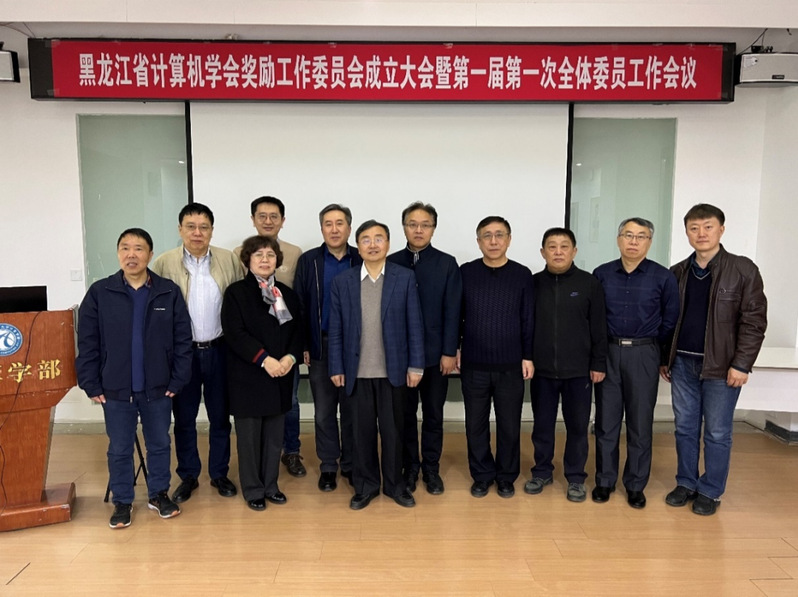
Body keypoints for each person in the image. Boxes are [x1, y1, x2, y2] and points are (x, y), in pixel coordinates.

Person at [76, 228, 193, 529]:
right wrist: (90, 382)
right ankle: (123, 501)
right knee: (119, 448)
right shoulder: (100, 292)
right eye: (125, 248)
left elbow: (182, 339)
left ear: (150, 255)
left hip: (158, 388)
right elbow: (87, 341)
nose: (132, 254)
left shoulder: (167, 291)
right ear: (118, 254)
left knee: (159, 443)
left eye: (139, 248)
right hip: (115, 388)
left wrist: (177, 380)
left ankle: (158, 494)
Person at [660, 204, 767, 516]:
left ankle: (710, 490)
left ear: (721, 229)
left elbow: (754, 321)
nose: (701, 233)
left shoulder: (743, 269)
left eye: (708, 226)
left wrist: (742, 364)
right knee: (684, 427)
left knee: (717, 432)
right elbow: (669, 320)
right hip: (682, 364)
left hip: (722, 367)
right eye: (694, 228)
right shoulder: (677, 272)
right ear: (686, 232)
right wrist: (666, 357)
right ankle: (686, 482)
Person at [328, 219, 425, 510]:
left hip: (393, 371)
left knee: (394, 433)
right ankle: (365, 486)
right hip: (356, 372)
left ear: (388, 244)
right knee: (361, 434)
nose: (373, 245)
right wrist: (336, 367)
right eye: (366, 240)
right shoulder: (343, 282)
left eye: (379, 239)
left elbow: (414, 324)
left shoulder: (403, 277)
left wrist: (416, 366)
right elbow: (336, 329)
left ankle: (395, 485)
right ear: (358, 246)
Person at [151, 203, 243, 504]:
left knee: (220, 417)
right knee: (184, 418)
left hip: (220, 350)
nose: (197, 233)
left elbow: (241, 301)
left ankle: (219, 473)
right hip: (183, 355)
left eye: (204, 227)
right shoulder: (164, 263)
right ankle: (188, 475)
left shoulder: (229, 260)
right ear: (180, 229)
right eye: (190, 226)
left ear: (212, 231)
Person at [592, 217, 679, 509]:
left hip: (644, 353)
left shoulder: (663, 277)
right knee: (606, 422)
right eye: (628, 235)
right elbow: (593, 317)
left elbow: (670, 320)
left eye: (641, 236)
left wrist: (656, 351)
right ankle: (604, 481)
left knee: (640, 423)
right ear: (618, 239)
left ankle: (635, 484)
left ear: (649, 242)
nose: (633, 241)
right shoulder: (602, 274)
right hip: (608, 351)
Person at [524, 228, 607, 503]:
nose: (558, 252)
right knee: (542, 426)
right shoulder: (533, 284)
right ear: (542, 252)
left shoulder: (589, 283)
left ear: (574, 251)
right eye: (552, 246)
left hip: (579, 371)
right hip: (542, 371)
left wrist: (598, 363)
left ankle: (576, 477)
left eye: (564, 246)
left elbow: (599, 327)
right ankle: (541, 472)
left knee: (577, 427)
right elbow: (526, 326)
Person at [221, 236, 303, 511]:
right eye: (258, 255)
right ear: (248, 260)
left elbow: (297, 331)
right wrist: (265, 360)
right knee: (249, 438)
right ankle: (253, 489)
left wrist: (290, 358)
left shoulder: (287, 294)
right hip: (249, 375)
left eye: (270, 254)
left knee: (274, 437)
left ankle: (271, 485)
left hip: (281, 374)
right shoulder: (236, 293)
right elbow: (235, 333)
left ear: (277, 260)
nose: (265, 259)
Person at [387, 201, 462, 495]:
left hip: (435, 356)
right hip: (399, 357)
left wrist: (449, 351)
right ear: (404, 227)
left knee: (433, 415)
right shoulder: (390, 262)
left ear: (433, 228)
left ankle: (431, 469)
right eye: (412, 224)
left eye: (425, 225)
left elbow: (453, 311)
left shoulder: (447, 263)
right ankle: (410, 467)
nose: (418, 230)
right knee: (403, 416)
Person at [458, 216, 534, 499]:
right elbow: (456, 314)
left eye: (499, 235)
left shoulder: (522, 274)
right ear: (478, 241)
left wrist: (528, 356)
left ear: (509, 240)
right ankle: (481, 475)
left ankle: (505, 476)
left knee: (509, 425)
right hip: (474, 364)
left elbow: (528, 318)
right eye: (487, 236)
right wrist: (455, 348)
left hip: (510, 365)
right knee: (475, 425)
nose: (493, 241)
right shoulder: (466, 272)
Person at [235, 196, 306, 478]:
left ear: (282, 221)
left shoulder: (294, 253)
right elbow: (237, 320)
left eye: (274, 216)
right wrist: (263, 358)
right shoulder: (238, 256)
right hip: (254, 352)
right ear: (253, 219)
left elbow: (298, 312)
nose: (268, 221)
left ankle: (291, 452)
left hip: (283, 348)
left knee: (289, 402)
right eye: (262, 216)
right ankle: (258, 470)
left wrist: (291, 355)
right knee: (255, 411)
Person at [294, 204, 361, 492]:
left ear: (349, 227)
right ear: (321, 228)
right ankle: (329, 465)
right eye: (328, 224)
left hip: (355, 346)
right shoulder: (309, 261)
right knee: (323, 411)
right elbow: (299, 304)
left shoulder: (361, 258)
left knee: (352, 409)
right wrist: (304, 344)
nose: (334, 229)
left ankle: (351, 463)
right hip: (320, 344)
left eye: (340, 223)